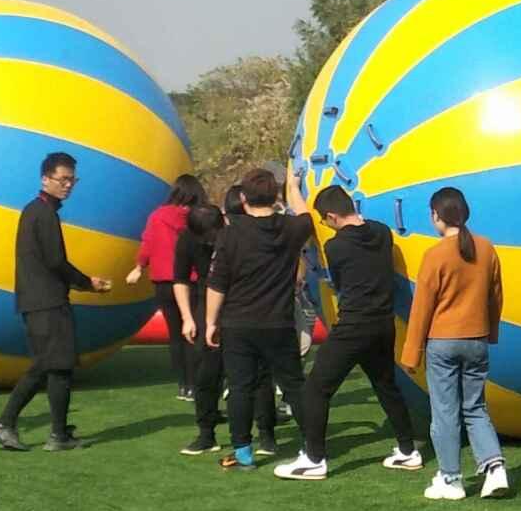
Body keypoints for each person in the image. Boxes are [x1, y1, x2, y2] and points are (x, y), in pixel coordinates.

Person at [276, 185, 421, 481]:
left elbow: (340, 284)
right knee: (386, 386)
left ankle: (314, 458)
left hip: (354, 326)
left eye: (324, 220)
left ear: (331, 216)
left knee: (316, 389)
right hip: (383, 324)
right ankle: (408, 450)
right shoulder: (382, 232)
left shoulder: (336, 247)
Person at [0, 153, 98, 453]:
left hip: (39, 300)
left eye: (72, 180)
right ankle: (4, 423)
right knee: (47, 364)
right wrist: (87, 283)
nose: (68, 185)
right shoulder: (42, 213)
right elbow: (55, 260)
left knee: (60, 367)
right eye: (63, 179)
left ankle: (58, 434)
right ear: (45, 179)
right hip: (46, 302)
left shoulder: (38, 211)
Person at [400, 186, 508, 501]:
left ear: (437, 215)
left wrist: (411, 353)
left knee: (445, 412)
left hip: (443, 343)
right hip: (477, 340)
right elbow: (496, 296)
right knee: (475, 407)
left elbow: (422, 308)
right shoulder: (486, 248)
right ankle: (495, 467)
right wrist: (490, 332)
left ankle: (450, 478)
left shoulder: (434, 255)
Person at [203, 166, 312, 474]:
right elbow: (306, 216)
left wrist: (210, 322)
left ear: (242, 198)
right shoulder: (291, 228)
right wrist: (294, 187)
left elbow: (217, 283)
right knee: (294, 386)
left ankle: (243, 453)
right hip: (279, 323)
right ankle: (314, 446)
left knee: (240, 387)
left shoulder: (230, 234)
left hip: (238, 324)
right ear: (275, 197)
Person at [172, 204, 268, 458]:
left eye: (212, 236)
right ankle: (206, 433)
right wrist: (187, 318)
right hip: (207, 302)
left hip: (244, 301)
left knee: (257, 372)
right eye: (205, 239)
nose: (209, 242)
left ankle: (266, 433)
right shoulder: (188, 238)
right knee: (205, 373)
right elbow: (180, 279)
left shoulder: (242, 230)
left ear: (221, 223)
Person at [125, 174, 207, 398]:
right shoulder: (198, 218)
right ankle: (196, 382)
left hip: (163, 282)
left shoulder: (157, 216)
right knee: (194, 332)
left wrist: (139, 267)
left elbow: (148, 244)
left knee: (175, 335)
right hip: (190, 281)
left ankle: (183, 384)